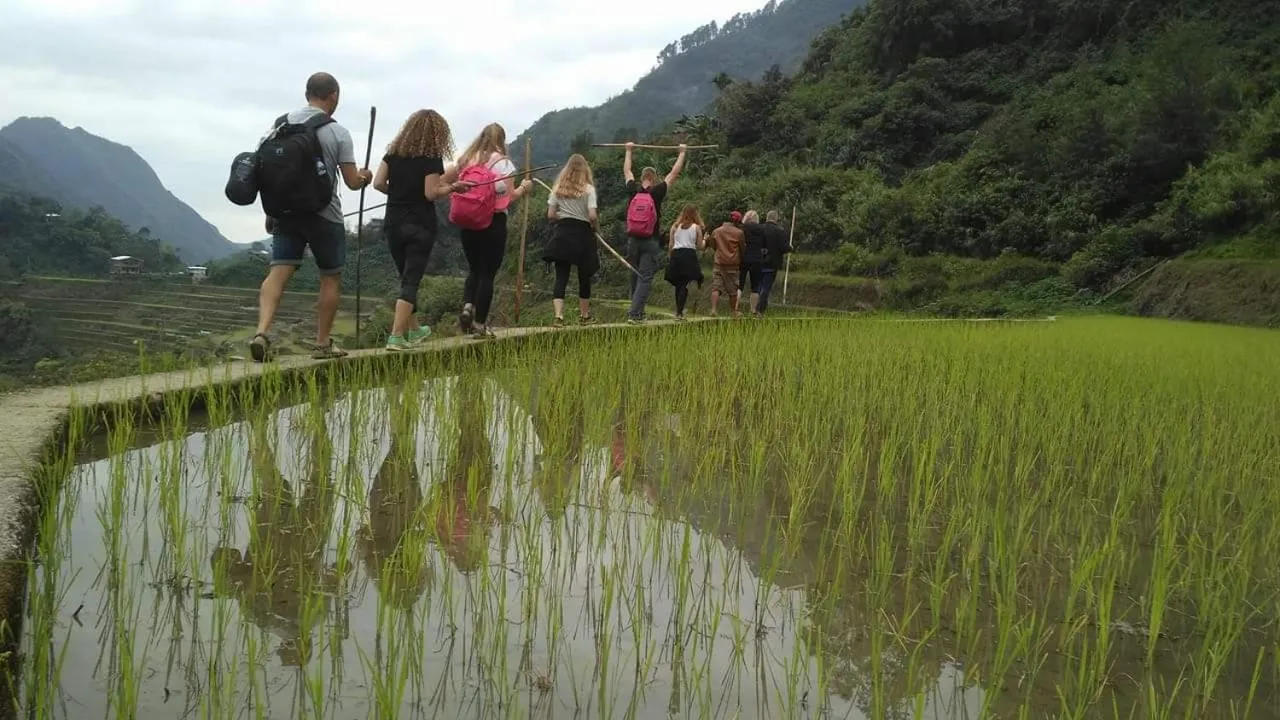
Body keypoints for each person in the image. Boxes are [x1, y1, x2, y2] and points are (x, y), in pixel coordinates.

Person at [251, 72, 373, 362]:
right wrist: (365, 176)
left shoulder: (278, 126)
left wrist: (272, 210)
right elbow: (352, 180)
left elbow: (264, 169)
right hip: (324, 214)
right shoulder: (337, 132)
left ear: (307, 93)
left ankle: (261, 332)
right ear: (333, 95)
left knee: (278, 272)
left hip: (285, 214)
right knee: (330, 277)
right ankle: (322, 344)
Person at [372, 109, 472, 352]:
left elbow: (377, 183)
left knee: (405, 278)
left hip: (394, 223)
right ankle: (396, 336)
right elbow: (430, 193)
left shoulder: (393, 154)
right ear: (438, 134)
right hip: (419, 225)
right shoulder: (430, 158)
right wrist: (453, 188)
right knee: (411, 280)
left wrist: (398, 193)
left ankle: (414, 329)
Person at [452, 123, 532, 339]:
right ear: (501, 139)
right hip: (493, 222)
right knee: (488, 273)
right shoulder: (503, 163)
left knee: (474, 269)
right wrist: (524, 188)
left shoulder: (468, 159)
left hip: (468, 222)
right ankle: (479, 325)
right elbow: (509, 196)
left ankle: (468, 305)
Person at [623, 141, 688, 324]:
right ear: (653, 177)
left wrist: (628, 150)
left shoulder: (633, 189)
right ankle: (635, 314)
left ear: (642, 177)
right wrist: (682, 152)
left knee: (635, 275)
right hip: (650, 240)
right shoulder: (657, 191)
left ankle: (638, 311)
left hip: (633, 240)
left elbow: (627, 171)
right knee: (645, 277)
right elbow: (674, 174)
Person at [542, 154, 600, 327]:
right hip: (583, 235)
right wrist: (596, 227)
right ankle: (584, 316)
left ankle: (558, 316)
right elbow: (592, 216)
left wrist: (565, 215)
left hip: (563, 233)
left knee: (561, 277)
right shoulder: (589, 189)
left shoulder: (558, 188)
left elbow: (551, 215)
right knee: (584, 276)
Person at [663, 203, 705, 320]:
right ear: (695, 214)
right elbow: (700, 246)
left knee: (678, 284)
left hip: (676, 254)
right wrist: (706, 240)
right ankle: (680, 312)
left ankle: (679, 311)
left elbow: (671, 244)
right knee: (684, 284)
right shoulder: (696, 227)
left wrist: (670, 257)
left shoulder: (675, 226)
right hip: (688, 255)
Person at [707, 211, 745, 317]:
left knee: (716, 287)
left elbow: (712, 245)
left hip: (718, 264)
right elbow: (742, 249)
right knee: (733, 290)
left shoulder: (716, 231)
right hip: (732, 265)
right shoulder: (739, 233)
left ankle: (714, 310)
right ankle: (733, 311)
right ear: (737, 222)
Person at [757, 209, 794, 316]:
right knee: (766, 287)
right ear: (776, 218)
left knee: (758, 285)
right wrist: (790, 248)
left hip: (758, 262)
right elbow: (783, 247)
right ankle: (760, 310)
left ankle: (755, 308)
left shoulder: (759, 229)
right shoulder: (779, 231)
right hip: (772, 264)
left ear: (767, 217)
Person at [739, 210, 765, 317]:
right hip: (757, 259)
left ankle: (735, 307)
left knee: (740, 284)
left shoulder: (742, 228)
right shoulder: (761, 229)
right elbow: (764, 244)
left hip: (744, 258)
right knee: (755, 287)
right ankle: (753, 310)